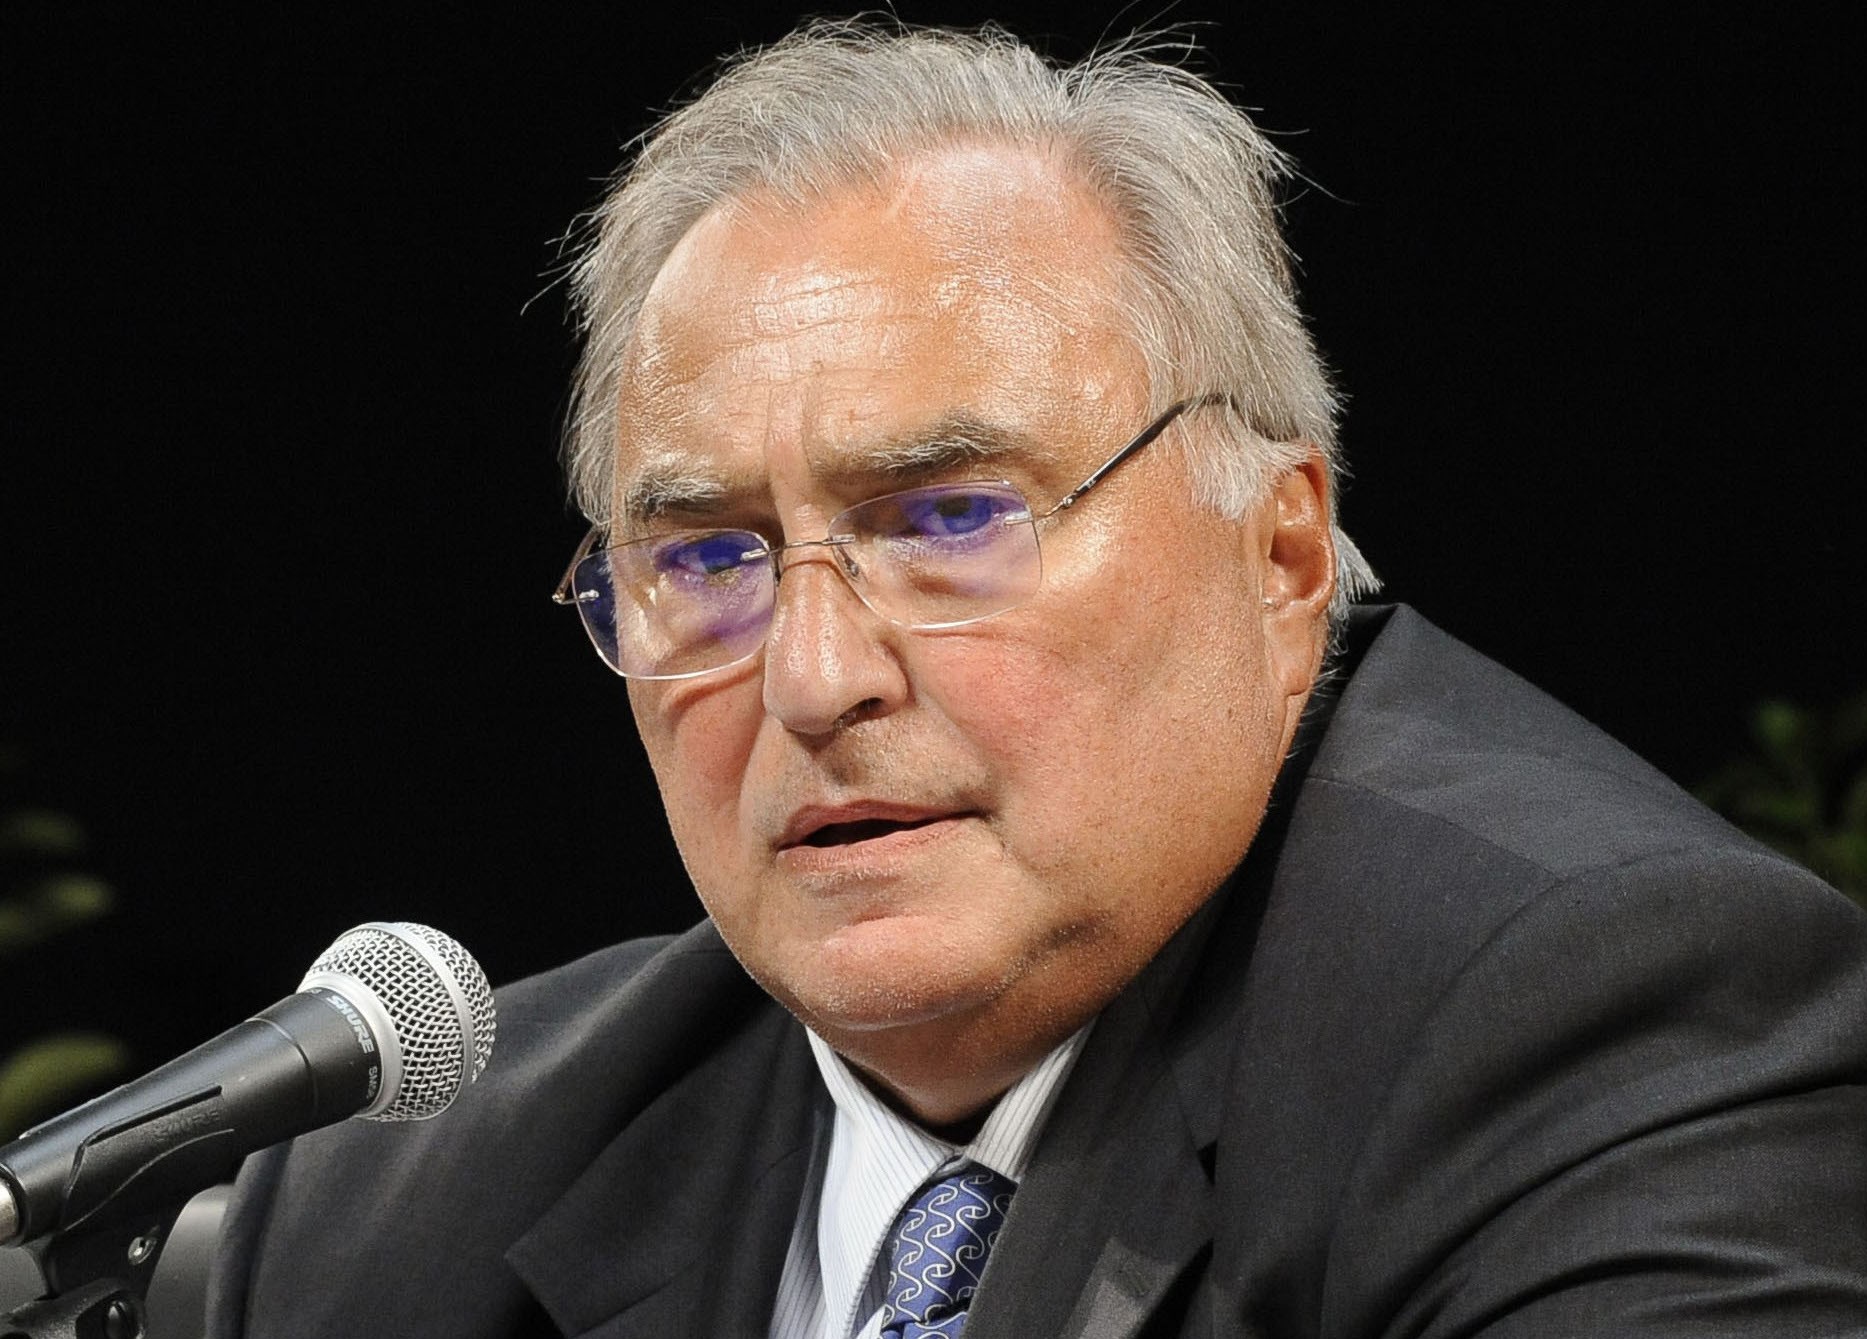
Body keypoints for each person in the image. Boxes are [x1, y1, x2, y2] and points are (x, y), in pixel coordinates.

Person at [206, 21, 1867, 1338]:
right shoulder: (385, 1199)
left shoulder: (1601, 1031)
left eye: (948, 522)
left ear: (1281, 557)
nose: (814, 679)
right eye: (707, 557)